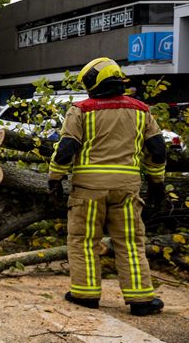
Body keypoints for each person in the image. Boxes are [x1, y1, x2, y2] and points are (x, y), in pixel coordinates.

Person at [48, 57, 165, 316]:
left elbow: (66, 150)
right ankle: (141, 299)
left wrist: (54, 179)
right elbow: (157, 150)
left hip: (88, 190)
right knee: (130, 242)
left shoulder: (81, 110)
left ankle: (85, 293)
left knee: (83, 241)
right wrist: (157, 182)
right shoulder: (141, 110)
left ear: (94, 84)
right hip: (127, 189)